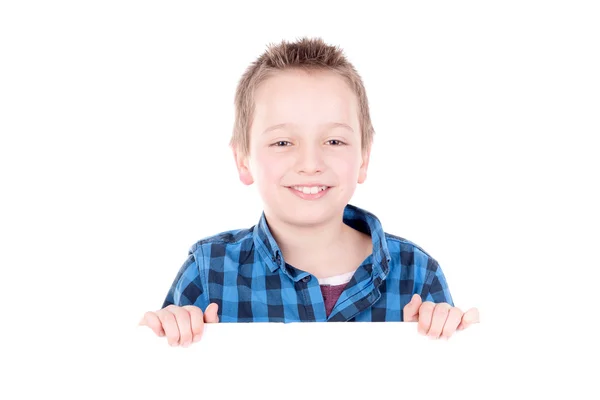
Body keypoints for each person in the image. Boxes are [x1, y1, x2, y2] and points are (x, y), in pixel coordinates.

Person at [139, 37, 479, 347]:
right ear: (243, 159)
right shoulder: (208, 273)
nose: (310, 163)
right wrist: (165, 336)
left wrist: (445, 344)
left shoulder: (418, 275)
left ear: (364, 157)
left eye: (334, 141)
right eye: (283, 142)